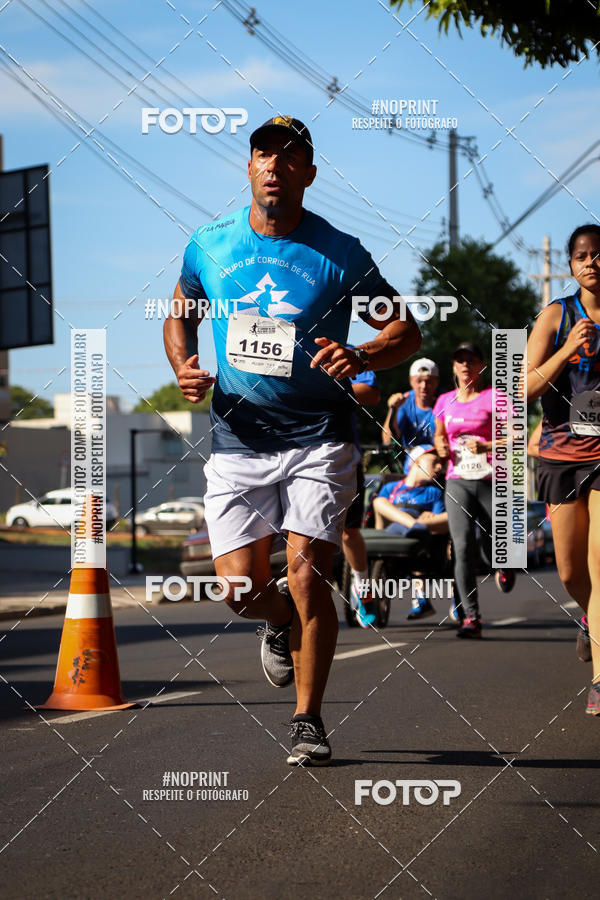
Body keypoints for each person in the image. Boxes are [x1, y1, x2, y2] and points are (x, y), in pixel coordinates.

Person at [163, 115, 421, 765]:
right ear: (248, 167)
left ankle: (309, 719)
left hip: (319, 434)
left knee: (309, 576)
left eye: (289, 156)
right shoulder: (211, 245)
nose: (274, 164)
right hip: (238, 435)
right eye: (262, 154)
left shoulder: (341, 253)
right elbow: (179, 312)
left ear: (309, 171)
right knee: (241, 590)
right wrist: (182, 364)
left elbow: (407, 334)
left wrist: (360, 351)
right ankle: (276, 622)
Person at [526, 223, 600, 715]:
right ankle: (590, 620)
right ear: (571, 265)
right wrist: (568, 348)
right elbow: (523, 386)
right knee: (573, 571)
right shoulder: (557, 313)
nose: (592, 262)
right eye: (582, 255)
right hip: (559, 454)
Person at [433, 342, 516, 639]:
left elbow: (515, 436)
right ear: (454, 367)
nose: (465, 366)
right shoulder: (444, 401)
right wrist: (441, 447)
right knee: (462, 548)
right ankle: (471, 617)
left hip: (492, 478)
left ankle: (504, 563)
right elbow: (440, 437)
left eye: (471, 361)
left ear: (481, 366)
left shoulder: (495, 397)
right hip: (458, 480)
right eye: (460, 361)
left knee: (500, 533)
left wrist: (487, 445)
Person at [372, 444, 448, 619]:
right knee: (378, 502)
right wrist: (416, 521)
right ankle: (413, 524)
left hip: (420, 539)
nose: (439, 467)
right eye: (434, 462)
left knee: (449, 517)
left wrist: (426, 519)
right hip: (389, 531)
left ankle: (420, 599)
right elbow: (379, 513)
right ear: (416, 462)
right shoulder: (390, 487)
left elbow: (437, 523)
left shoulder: (434, 492)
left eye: (441, 464)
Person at [343, 368, 381, 628]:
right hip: (287, 453)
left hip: (342, 456)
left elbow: (370, 392)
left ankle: (362, 585)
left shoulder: (347, 353)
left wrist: (312, 389)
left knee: (349, 532)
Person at [382, 357, 439, 472]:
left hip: (439, 462)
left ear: (436, 382)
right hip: (411, 464)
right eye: (419, 381)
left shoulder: (444, 401)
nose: (423, 386)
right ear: (411, 381)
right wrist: (393, 409)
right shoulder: (404, 402)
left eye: (428, 381)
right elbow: (388, 441)